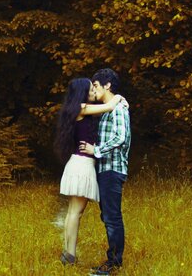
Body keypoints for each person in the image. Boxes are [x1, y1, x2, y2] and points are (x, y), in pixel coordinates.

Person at [55, 77, 127, 266]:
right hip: (82, 164)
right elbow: (109, 106)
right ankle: (69, 255)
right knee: (75, 212)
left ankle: (68, 254)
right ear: (81, 92)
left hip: (78, 163)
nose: (92, 92)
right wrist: (119, 97)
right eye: (90, 89)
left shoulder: (78, 109)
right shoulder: (81, 108)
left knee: (73, 212)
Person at [79, 68, 131, 276]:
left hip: (112, 169)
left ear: (107, 85)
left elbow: (120, 137)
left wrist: (96, 150)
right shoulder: (109, 107)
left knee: (112, 217)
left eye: (96, 86)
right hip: (105, 169)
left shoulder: (119, 109)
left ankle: (114, 264)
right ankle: (113, 261)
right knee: (107, 216)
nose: (94, 90)